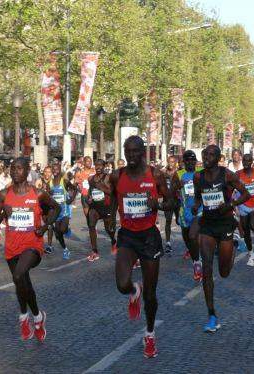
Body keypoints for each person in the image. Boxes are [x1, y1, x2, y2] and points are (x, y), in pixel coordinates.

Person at [110, 135, 172, 358]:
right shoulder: (117, 175)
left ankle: (150, 333)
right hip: (127, 236)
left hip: (149, 237)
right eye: (128, 152)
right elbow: (111, 200)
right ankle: (133, 290)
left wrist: (159, 204)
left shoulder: (154, 174)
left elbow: (172, 201)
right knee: (122, 283)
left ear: (143, 152)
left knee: (151, 294)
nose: (132, 156)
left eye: (136, 151)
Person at [0, 157, 60, 342]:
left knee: (19, 275)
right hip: (12, 247)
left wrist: (46, 226)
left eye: (19, 168)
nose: (15, 171)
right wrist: (2, 211)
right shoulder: (3, 195)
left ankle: (23, 316)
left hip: (32, 246)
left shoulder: (38, 194)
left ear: (27, 171)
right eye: (12, 168)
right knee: (22, 283)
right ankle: (37, 317)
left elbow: (56, 208)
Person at [192, 145, 250, 332]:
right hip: (208, 224)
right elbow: (198, 198)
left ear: (218, 158)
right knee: (207, 268)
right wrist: (196, 206)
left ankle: (232, 243)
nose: (207, 157)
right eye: (205, 154)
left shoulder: (227, 175)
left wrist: (230, 204)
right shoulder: (198, 176)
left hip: (225, 223)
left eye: (211, 155)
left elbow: (246, 194)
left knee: (224, 272)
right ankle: (211, 315)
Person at [171, 150, 202, 280]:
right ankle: (195, 258)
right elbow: (171, 192)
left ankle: (197, 263)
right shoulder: (178, 174)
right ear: (183, 162)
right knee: (187, 239)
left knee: (192, 235)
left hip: (199, 210)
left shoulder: (201, 173)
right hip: (184, 211)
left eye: (192, 160)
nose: (190, 162)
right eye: (187, 160)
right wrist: (178, 185)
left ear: (195, 161)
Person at [86, 159, 117, 261]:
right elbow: (89, 192)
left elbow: (113, 192)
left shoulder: (108, 177)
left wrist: (101, 187)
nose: (98, 167)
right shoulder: (91, 179)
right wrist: (89, 198)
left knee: (109, 229)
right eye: (96, 165)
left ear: (104, 166)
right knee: (91, 226)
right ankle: (94, 251)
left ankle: (113, 241)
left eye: (100, 165)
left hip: (106, 206)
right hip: (94, 207)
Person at [49, 162, 77, 259]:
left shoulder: (64, 181)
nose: (55, 171)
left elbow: (75, 188)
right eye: (53, 169)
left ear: (60, 170)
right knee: (58, 233)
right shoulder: (50, 183)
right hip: (55, 212)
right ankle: (65, 249)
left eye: (57, 169)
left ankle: (66, 229)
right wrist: (49, 193)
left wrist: (71, 199)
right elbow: (48, 197)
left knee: (62, 230)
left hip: (64, 211)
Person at [162, 156, 178, 254]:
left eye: (173, 162)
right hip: (167, 201)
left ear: (175, 162)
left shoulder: (179, 172)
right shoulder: (163, 173)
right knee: (168, 221)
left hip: (178, 201)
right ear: (167, 162)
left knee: (179, 221)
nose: (171, 164)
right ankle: (168, 243)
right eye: (169, 162)